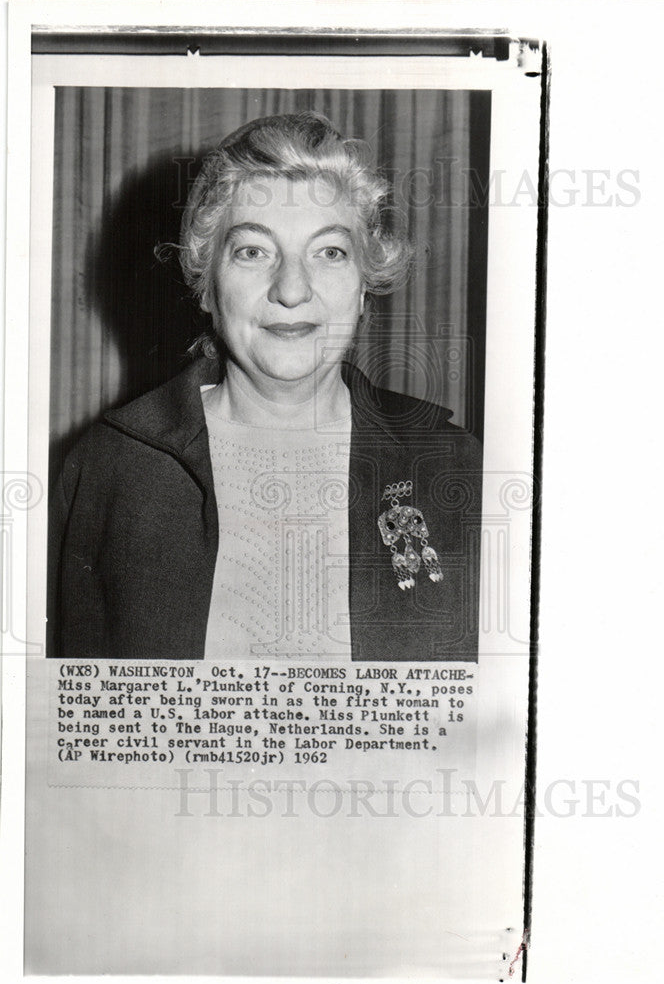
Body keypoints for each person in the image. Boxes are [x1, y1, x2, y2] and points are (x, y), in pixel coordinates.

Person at [47, 112, 482, 661]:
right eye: (253, 251)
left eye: (330, 252)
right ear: (206, 284)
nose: (292, 290)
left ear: (365, 285)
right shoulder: (110, 466)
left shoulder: (454, 464)